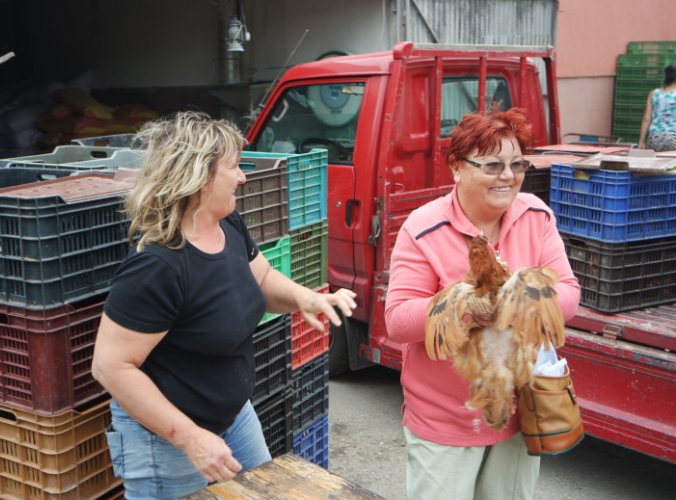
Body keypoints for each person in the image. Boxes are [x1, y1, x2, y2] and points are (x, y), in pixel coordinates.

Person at [91, 111, 356, 500]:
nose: (243, 176)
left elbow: (262, 278)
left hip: (234, 416)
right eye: (233, 167)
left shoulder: (227, 223)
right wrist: (192, 438)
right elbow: (111, 366)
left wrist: (306, 298)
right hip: (167, 438)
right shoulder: (158, 266)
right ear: (198, 176)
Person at [384, 106, 580, 500]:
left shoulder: (535, 215)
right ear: (457, 167)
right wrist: (464, 306)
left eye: (517, 164)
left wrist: (521, 299)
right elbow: (398, 320)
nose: (508, 176)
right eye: (492, 165)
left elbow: (569, 296)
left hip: (521, 409)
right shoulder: (424, 228)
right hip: (445, 417)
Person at [639, 64, 676, 151]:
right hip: (674, 137)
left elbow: (646, 119)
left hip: (655, 137)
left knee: (656, 163)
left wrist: (641, 141)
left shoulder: (654, 93)